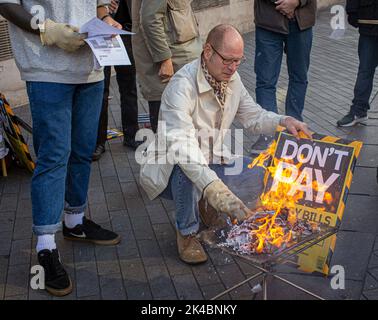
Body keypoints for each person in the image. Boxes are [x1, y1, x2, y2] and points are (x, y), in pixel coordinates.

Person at [139, 24, 311, 265]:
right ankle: (187, 232)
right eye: (228, 60)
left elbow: (253, 116)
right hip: (171, 169)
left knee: (258, 172)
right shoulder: (181, 87)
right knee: (187, 171)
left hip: (212, 159)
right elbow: (185, 151)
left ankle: (206, 204)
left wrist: (283, 121)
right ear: (208, 51)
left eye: (238, 62)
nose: (232, 68)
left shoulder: (232, 79)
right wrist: (216, 191)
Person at [0, 0, 121, 296]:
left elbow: (99, 4)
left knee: (82, 150)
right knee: (54, 157)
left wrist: (105, 18)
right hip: (46, 68)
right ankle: (45, 246)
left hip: (90, 66)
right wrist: (47, 29)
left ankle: (75, 221)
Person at [250, 0, 316, 154]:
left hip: (302, 20)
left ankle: (294, 127)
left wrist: (297, 2)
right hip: (268, 20)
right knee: (265, 81)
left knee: (299, 77)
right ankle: (269, 132)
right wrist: (285, 4)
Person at [131, 0, 202, 132]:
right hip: (172, 66)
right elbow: (150, 20)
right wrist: (165, 59)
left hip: (179, 61)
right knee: (171, 135)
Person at [93, 0, 141, 160]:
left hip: (125, 31)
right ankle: (98, 142)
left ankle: (132, 134)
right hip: (101, 34)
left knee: (129, 87)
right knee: (102, 89)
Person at [337, 0, 378, 127]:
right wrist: (352, 10)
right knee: (365, 71)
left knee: (365, 71)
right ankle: (358, 111)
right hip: (369, 24)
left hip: (369, 21)